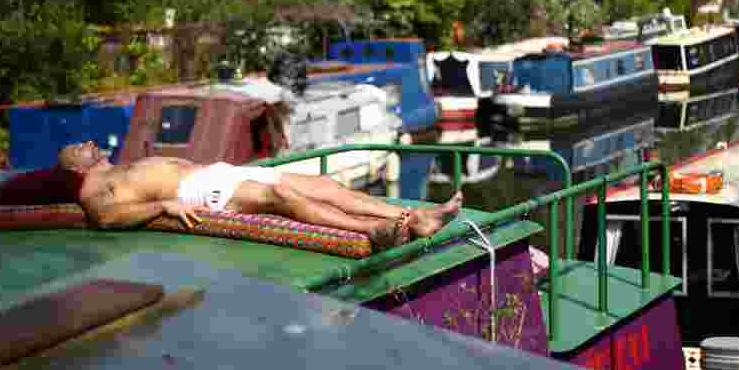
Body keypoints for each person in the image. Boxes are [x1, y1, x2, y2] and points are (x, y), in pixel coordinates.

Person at [58, 141, 463, 251]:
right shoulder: (93, 187)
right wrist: (160, 205)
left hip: (219, 173)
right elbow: (104, 218)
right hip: (199, 191)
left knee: (322, 186)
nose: (89, 141)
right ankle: (373, 229)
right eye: (80, 146)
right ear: (76, 167)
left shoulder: (115, 168)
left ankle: (413, 215)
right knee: (281, 195)